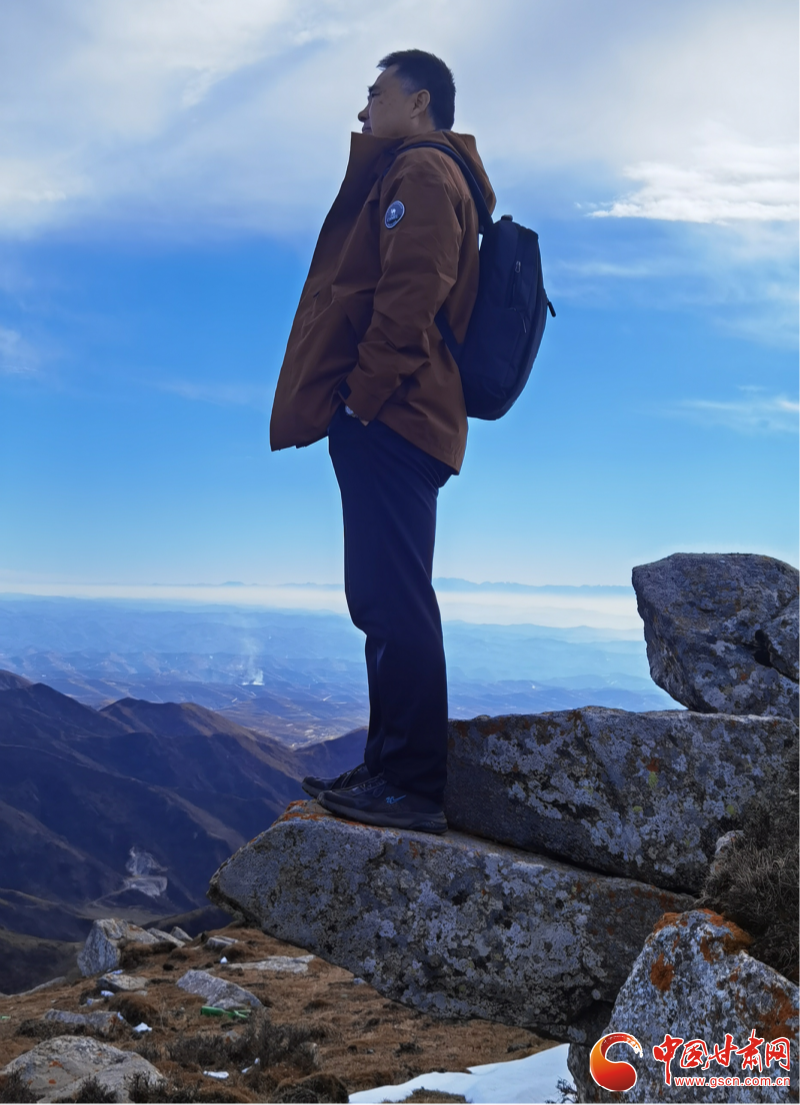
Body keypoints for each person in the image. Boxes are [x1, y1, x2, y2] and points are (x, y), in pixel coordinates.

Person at [269, 49, 495, 833]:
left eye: (375, 93)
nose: (363, 109)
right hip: (403, 416)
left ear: (419, 100)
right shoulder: (425, 171)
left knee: (393, 596)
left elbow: (409, 294)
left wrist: (360, 402)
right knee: (381, 594)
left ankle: (412, 782)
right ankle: (387, 765)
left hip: (396, 414)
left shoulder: (422, 171)